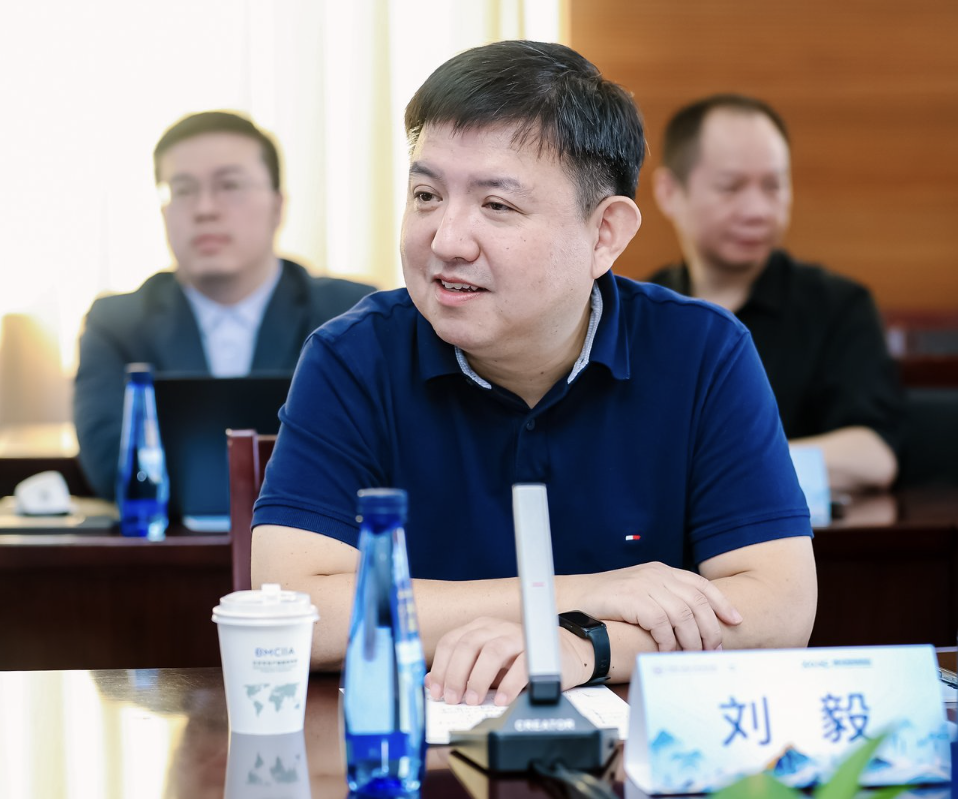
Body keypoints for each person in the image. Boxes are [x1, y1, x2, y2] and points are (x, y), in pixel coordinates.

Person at [252, 41, 817, 705]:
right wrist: (588, 593)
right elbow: (295, 611)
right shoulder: (352, 358)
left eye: (497, 205)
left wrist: (582, 644)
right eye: (427, 195)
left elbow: (779, 606)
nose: (446, 240)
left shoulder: (701, 352)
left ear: (605, 234)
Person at [74, 112, 375, 499]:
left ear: (278, 206)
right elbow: (109, 465)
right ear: (163, 212)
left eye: (230, 185)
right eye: (182, 190)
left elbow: (375, 454)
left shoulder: (352, 313)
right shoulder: (117, 325)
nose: (205, 209)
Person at [648, 94, 902, 492]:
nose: (758, 211)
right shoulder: (638, 313)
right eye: (730, 187)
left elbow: (873, 455)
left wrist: (716, 464)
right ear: (669, 192)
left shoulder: (838, 305)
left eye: (774, 186)